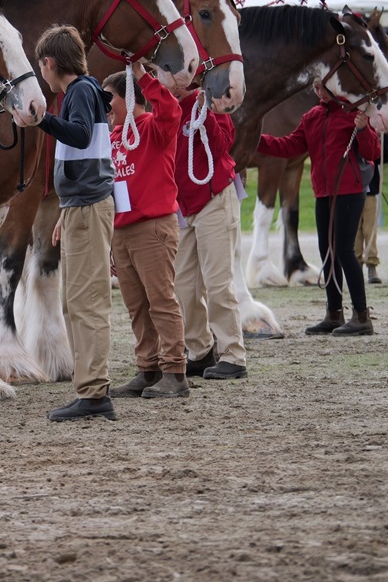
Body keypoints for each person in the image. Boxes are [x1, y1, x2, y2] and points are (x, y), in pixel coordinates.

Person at [36, 25, 116, 422]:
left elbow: (81, 137)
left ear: (49, 62)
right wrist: (65, 213)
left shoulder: (80, 91)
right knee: (75, 301)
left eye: (41, 65)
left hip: (87, 207)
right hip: (78, 207)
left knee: (86, 302)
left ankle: (95, 393)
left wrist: (42, 120)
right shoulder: (84, 90)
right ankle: (89, 388)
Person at [258, 80, 380, 336]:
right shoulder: (312, 116)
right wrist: (257, 141)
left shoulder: (353, 113)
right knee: (327, 252)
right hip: (323, 193)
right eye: (315, 88)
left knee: (344, 251)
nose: (318, 92)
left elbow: (372, 152)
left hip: (349, 192)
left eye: (321, 87)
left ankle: (361, 316)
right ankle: (334, 314)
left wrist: (362, 129)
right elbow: (289, 146)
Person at [104, 71, 189, 398]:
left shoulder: (154, 127)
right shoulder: (112, 137)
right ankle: (148, 368)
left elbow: (171, 110)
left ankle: (175, 372)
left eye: (110, 97)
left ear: (129, 98)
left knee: (160, 300)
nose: (105, 106)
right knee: (137, 305)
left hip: (152, 227)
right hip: (122, 231)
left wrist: (142, 76)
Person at [170, 85, 250, 379]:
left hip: (214, 198)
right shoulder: (163, 106)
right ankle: (200, 350)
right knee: (184, 286)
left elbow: (223, 145)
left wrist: (206, 114)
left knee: (218, 282)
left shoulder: (206, 101)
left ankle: (233, 354)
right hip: (183, 205)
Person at [354, 131, 383, 285]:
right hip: (352, 190)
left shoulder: (373, 133)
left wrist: (381, 141)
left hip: (370, 191)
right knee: (354, 230)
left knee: (369, 229)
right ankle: (356, 264)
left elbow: (383, 157)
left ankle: (372, 264)